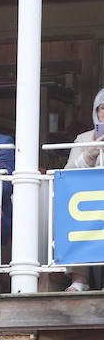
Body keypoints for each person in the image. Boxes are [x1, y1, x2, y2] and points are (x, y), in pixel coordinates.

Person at [64, 87, 104, 291]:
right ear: (96, 112)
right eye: (102, 108)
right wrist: (90, 153)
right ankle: (81, 279)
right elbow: (67, 174)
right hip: (90, 201)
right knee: (76, 212)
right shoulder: (83, 138)